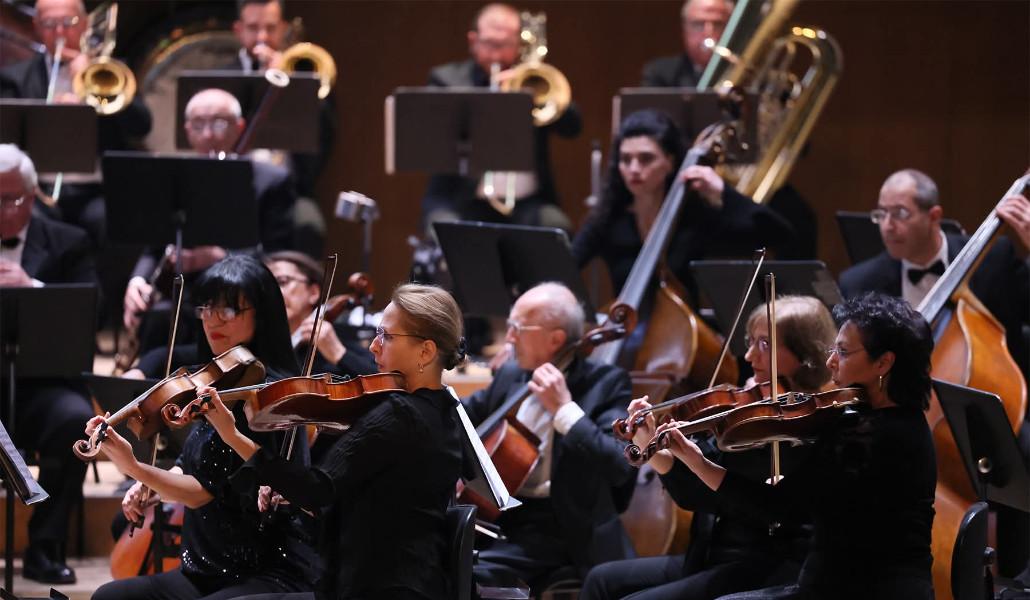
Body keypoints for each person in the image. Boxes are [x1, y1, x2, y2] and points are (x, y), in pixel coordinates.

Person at [657, 292, 937, 600]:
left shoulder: (868, 436)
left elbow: (779, 508)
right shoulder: (902, 422)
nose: (830, 361)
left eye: (843, 352)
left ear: (883, 362)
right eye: (833, 349)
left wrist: (699, 462)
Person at [202, 283, 467, 599]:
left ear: (426, 351)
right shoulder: (444, 413)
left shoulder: (399, 415)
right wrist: (290, 487)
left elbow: (317, 490)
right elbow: (378, 503)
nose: (373, 346)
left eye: (386, 336)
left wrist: (232, 435)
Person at [87, 255, 317, 599]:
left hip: (263, 573)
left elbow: (201, 492)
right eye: (207, 308)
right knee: (110, 597)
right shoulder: (216, 383)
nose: (212, 319)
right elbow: (196, 461)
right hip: (204, 568)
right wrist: (151, 486)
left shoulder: (271, 398)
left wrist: (134, 467)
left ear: (262, 314)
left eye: (228, 309)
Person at [580, 295, 836, 600]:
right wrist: (648, 442)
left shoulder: (803, 430)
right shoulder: (747, 411)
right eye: (750, 342)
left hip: (758, 564)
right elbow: (690, 493)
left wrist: (693, 460)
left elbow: (739, 500)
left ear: (805, 354)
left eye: (765, 344)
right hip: (708, 553)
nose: (749, 356)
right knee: (600, 580)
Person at [460, 282, 636, 593]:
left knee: (469, 573)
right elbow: (460, 419)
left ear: (556, 339)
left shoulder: (606, 383)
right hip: (499, 518)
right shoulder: (512, 374)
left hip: (560, 528)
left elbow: (619, 464)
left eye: (517, 328)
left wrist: (564, 410)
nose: (509, 338)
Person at [122, 88, 298, 355]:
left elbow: (278, 254)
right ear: (187, 130)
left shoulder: (271, 181)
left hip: (241, 293)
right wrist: (137, 280)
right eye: (198, 124)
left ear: (239, 127)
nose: (207, 135)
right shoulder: (175, 178)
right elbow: (155, 246)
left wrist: (220, 257)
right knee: (157, 320)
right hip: (185, 290)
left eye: (219, 123)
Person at [571, 109, 794, 301]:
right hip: (626, 332)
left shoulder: (694, 217)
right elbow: (567, 268)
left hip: (684, 334)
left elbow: (778, 234)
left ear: (670, 162)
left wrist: (724, 193)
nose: (634, 169)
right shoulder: (608, 218)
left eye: (646, 158)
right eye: (626, 159)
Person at [0, 143, 97, 584]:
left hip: (44, 384)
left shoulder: (68, 241)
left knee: (76, 421)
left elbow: (93, 314)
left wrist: (33, 288)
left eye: (10, 199)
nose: (2, 209)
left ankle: (45, 545)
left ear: (32, 196)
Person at [838, 168, 1029, 374]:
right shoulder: (859, 283)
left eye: (900, 213)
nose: (887, 226)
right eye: (881, 214)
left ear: (934, 216)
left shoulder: (994, 259)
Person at [420, 2, 581, 234]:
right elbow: (431, 137)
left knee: (558, 229)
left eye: (506, 44)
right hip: (461, 200)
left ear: (518, 43)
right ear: (473, 41)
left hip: (526, 202)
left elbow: (573, 127)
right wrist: (491, 97)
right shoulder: (446, 80)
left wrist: (531, 94)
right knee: (443, 235)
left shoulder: (531, 80)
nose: (497, 54)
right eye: (490, 44)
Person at [0, 0, 151, 245]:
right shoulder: (15, 79)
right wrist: (53, 117)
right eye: (49, 24)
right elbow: (6, 141)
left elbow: (141, 126)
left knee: (117, 223)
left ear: (85, 24)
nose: (59, 32)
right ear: (36, 26)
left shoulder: (109, 71)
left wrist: (91, 94)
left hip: (97, 190)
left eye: (68, 23)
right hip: (37, 191)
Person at [264, 250, 376, 378]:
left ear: (313, 293)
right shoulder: (265, 348)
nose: (273, 292)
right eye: (267, 286)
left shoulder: (339, 338)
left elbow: (382, 380)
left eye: (282, 282)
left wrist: (338, 353)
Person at [641, 0, 733, 87]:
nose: (708, 32)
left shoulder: (738, 71)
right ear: (684, 30)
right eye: (698, 24)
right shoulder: (660, 73)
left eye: (718, 24)